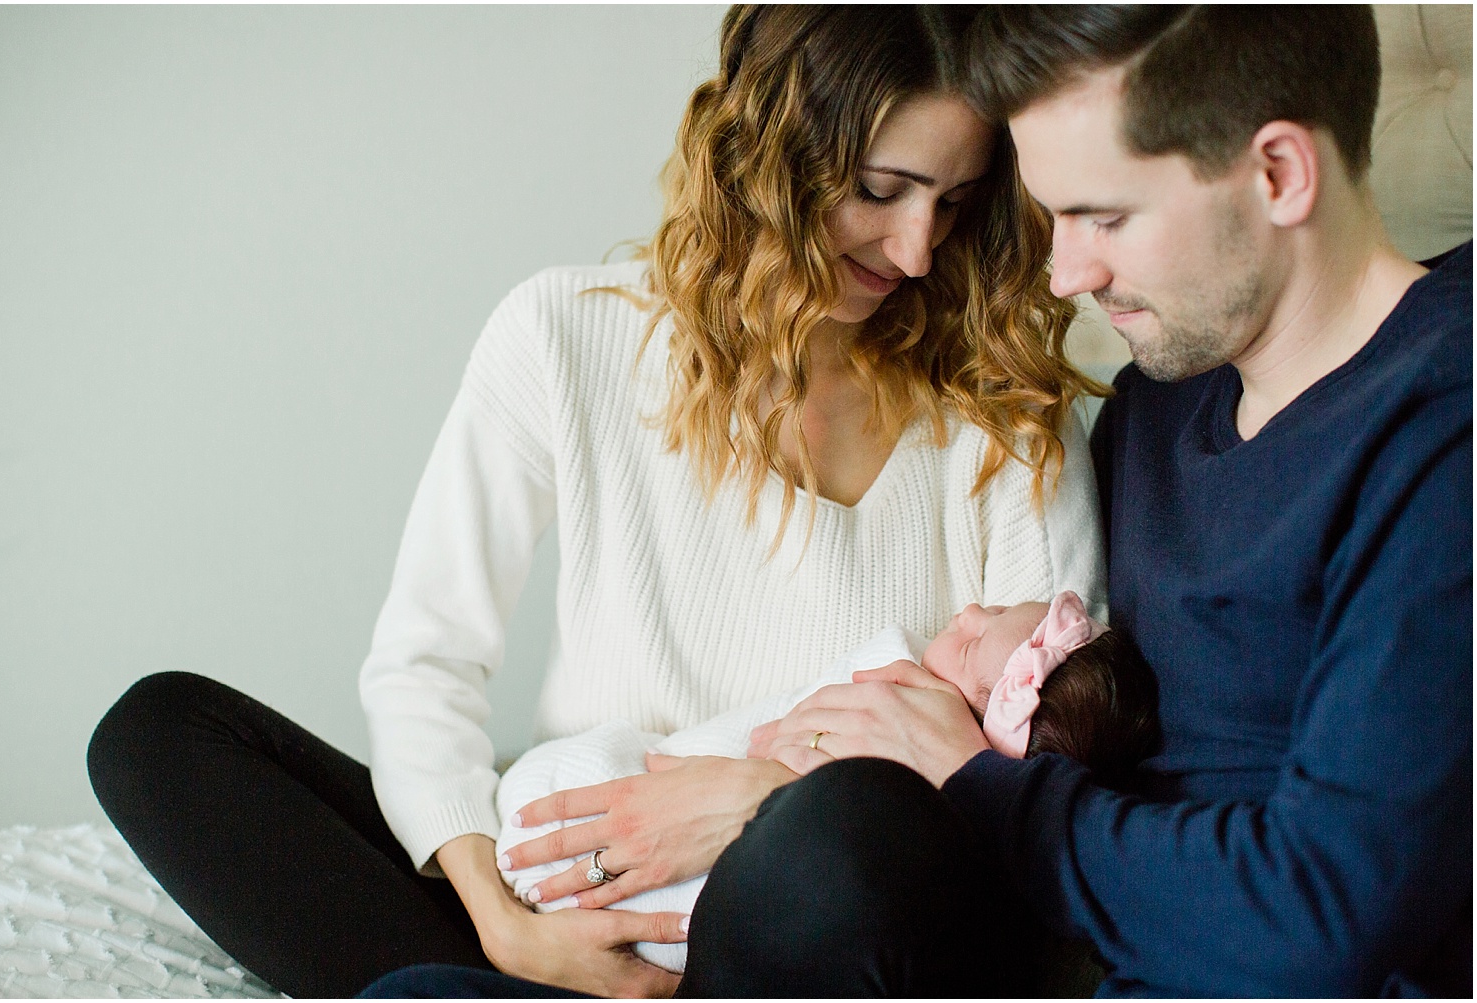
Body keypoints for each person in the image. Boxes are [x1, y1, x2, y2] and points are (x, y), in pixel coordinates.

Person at [86, 6, 1111, 998]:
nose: (919, 248)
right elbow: (425, 662)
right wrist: (508, 925)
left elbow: (1045, 765)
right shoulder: (565, 337)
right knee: (158, 733)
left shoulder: (1006, 418)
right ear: (772, 153)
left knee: (848, 835)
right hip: (561, 898)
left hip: (802, 908)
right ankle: (499, 987)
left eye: (957, 201)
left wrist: (753, 801)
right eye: (882, 190)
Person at [673, 5, 1471, 998]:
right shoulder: (1150, 414)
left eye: (1104, 217)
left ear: (1278, 174)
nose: (1065, 274)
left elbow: (1326, 911)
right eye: (1055, 217)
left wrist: (977, 785)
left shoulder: (1445, 422)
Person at [493, 591, 1157, 973]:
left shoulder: (929, 750)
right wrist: (502, 930)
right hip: (576, 809)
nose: (971, 608)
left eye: (967, 643)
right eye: (997, 607)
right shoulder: (884, 666)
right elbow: (763, 737)